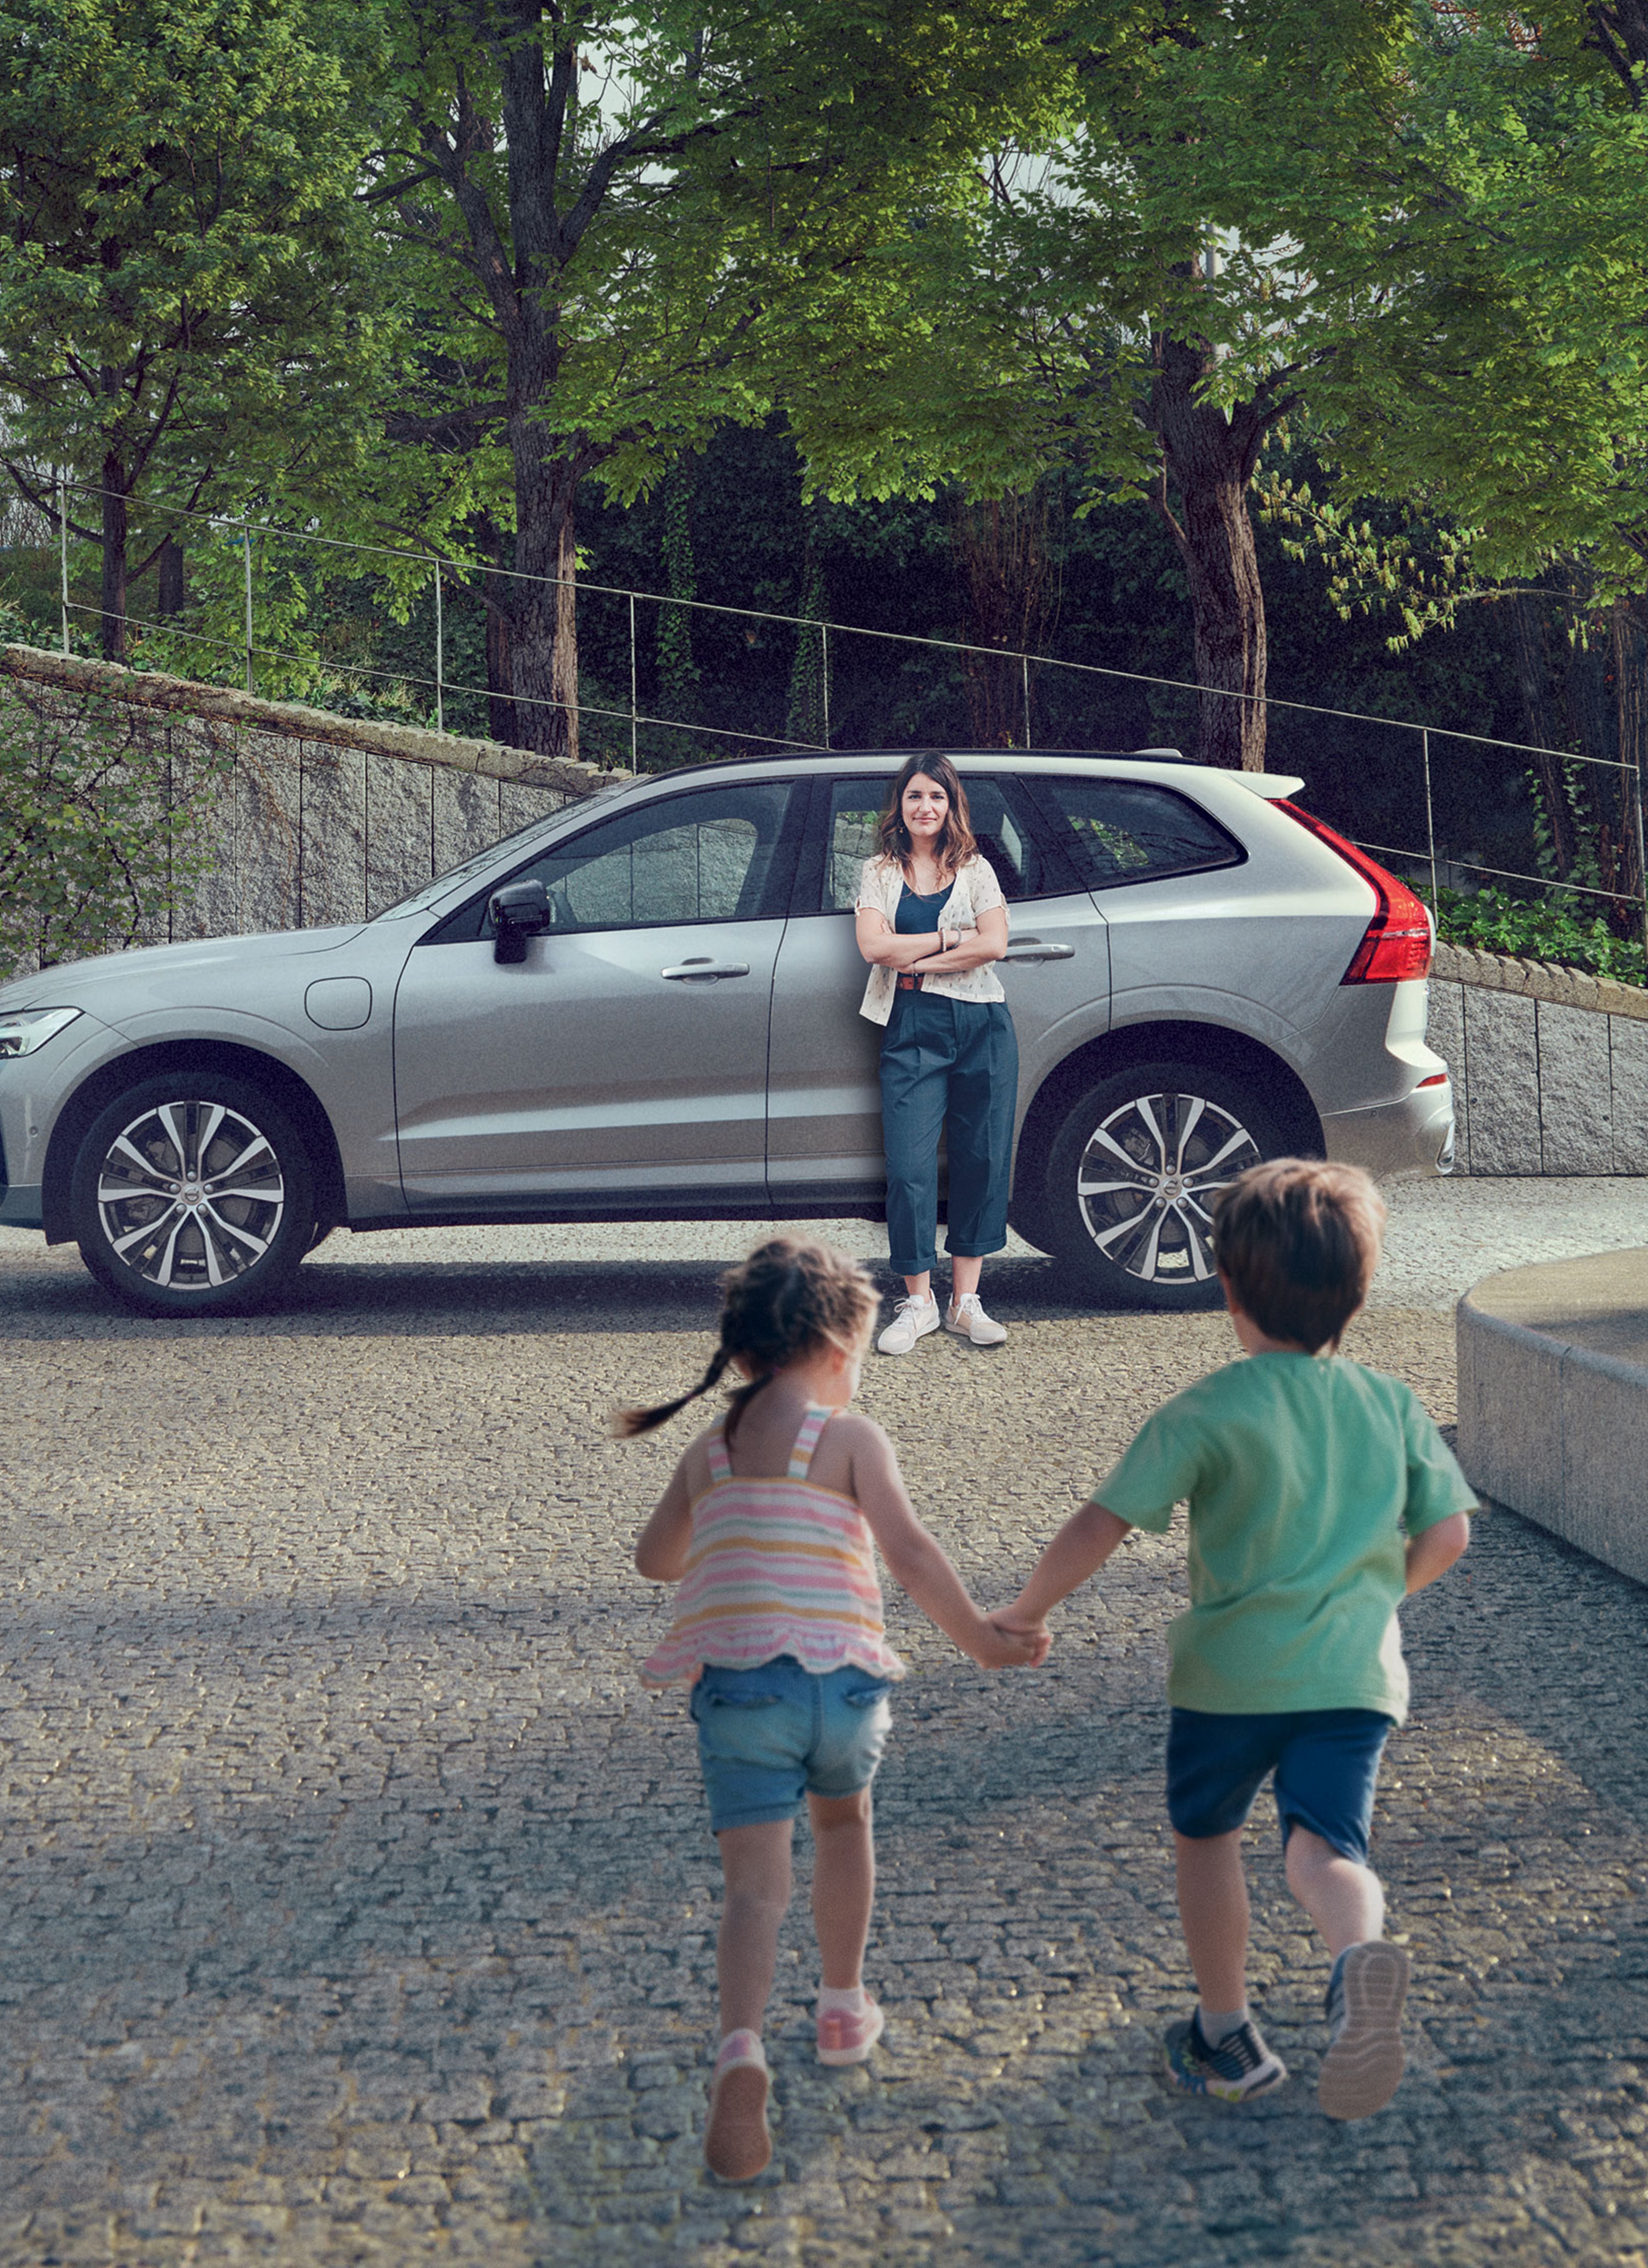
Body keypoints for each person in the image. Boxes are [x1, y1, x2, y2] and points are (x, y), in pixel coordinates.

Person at [993, 1159, 1475, 2120]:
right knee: (1323, 1851)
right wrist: (1373, 1595)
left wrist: (1028, 1610)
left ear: (1229, 1290)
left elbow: (1101, 1524)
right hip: (1352, 1678)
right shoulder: (1392, 1404)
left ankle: (1226, 2035)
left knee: (1207, 1839)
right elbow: (1449, 1533)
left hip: (1227, 1683)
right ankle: (1357, 1960)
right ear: (1359, 1294)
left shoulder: (1207, 1410)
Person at [623, 1235, 1047, 2183]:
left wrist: (722, 1532)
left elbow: (656, 1561)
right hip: (842, 1686)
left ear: (742, 1354)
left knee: (754, 1890)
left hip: (741, 1692)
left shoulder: (709, 1450)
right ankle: (843, 2007)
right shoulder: (850, 1440)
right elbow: (912, 1555)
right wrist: (983, 1639)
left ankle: (740, 2046)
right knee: (845, 1827)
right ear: (833, 1348)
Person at [853, 751, 1017, 1355]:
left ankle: (965, 1303)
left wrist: (915, 960)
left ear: (953, 806)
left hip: (982, 1024)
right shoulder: (878, 870)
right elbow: (874, 948)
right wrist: (951, 937)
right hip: (912, 1025)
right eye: (916, 795)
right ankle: (918, 1302)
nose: (926, 807)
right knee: (910, 1169)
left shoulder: (976, 868)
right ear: (900, 804)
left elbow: (994, 944)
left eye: (938, 797)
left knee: (982, 1160)